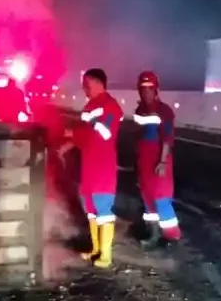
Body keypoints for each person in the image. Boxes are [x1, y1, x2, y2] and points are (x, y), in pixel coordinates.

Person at [61, 68, 123, 267]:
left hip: (102, 165)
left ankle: (106, 255)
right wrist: (68, 144)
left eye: (87, 84)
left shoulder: (110, 106)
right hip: (89, 164)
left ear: (98, 83)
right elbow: (87, 136)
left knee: (103, 208)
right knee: (91, 208)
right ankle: (96, 249)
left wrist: (74, 134)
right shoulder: (90, 106)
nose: (84, 88)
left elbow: (103, 134)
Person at [132, 71, 181, 248]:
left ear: (156, 90)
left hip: (158, 159)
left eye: (149, 89)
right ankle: (153, 233)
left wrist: (162, 162)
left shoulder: (164, 111)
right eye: (143, 89)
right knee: (147, 197)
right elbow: (138, 136)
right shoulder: (139, 111)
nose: (146, 93)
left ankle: (172, 236)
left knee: (161, 198)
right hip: (143, 160)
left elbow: (167, 138)